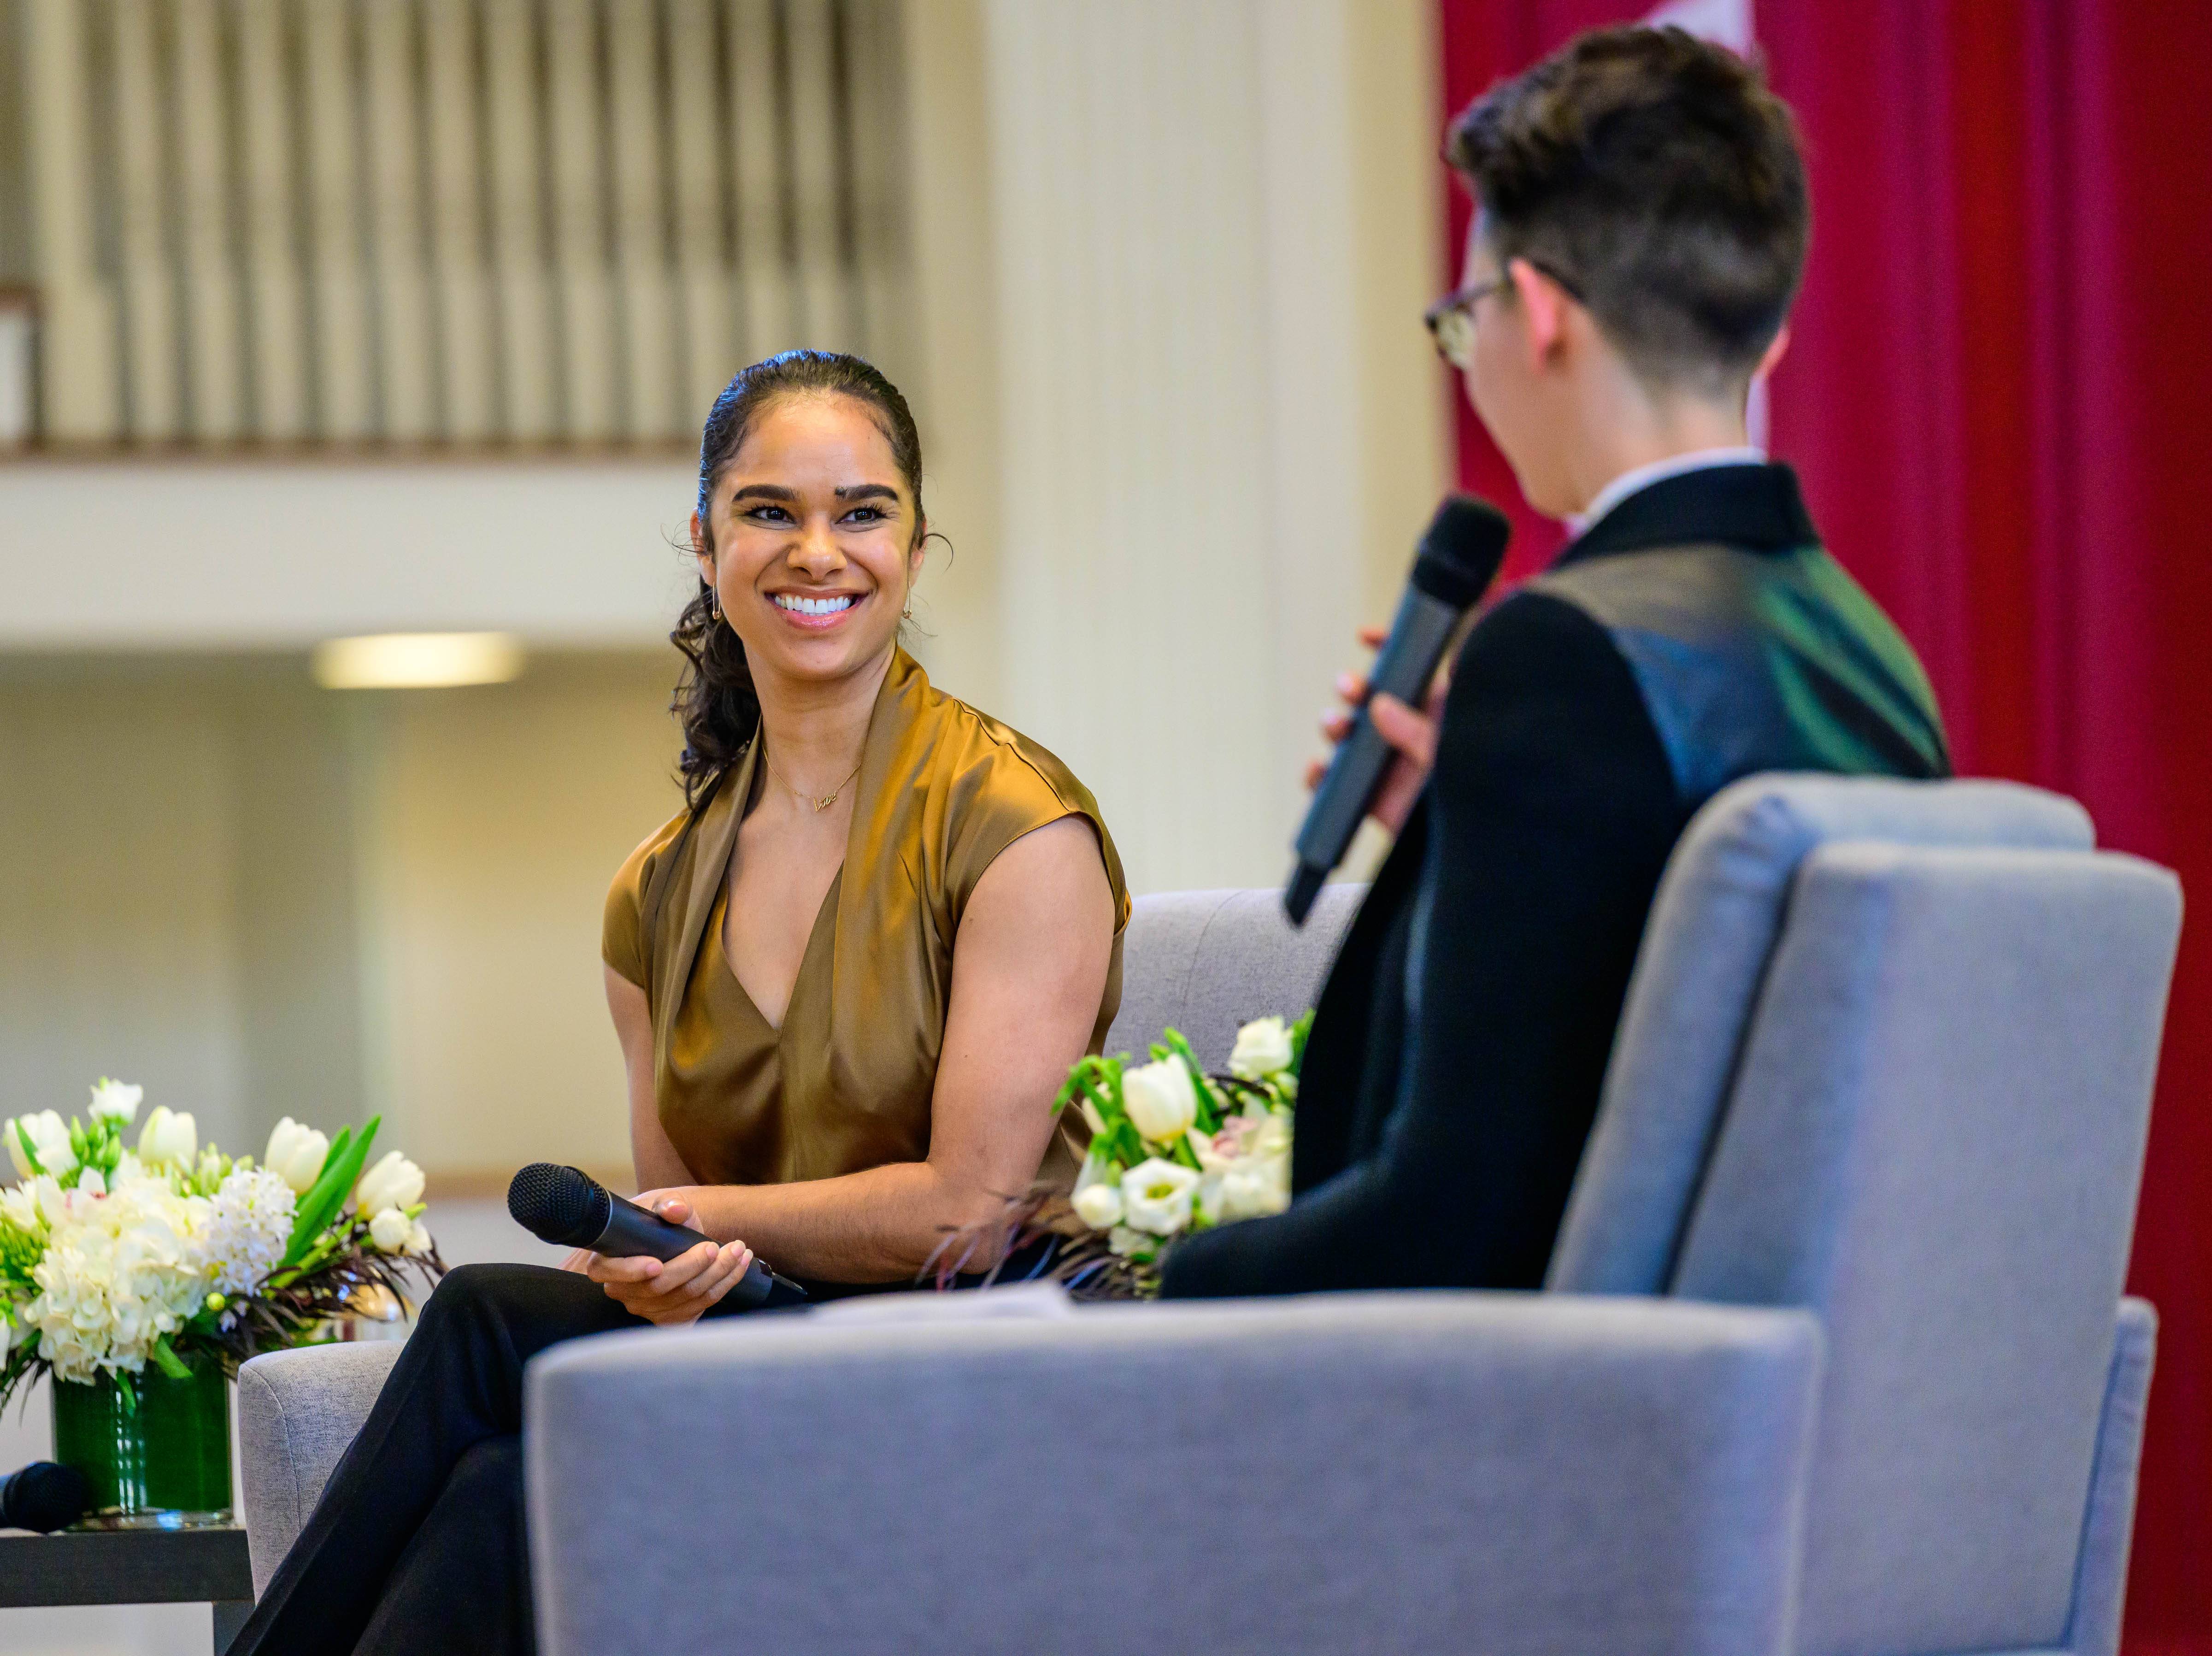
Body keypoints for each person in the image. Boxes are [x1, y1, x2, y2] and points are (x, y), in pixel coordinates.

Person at [235, 351, 1129, 1656]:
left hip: (955, 1362)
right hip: (748, 1356)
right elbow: (672, 1227)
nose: (818, 551)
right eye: (771, 511)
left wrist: (707, 1220)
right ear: (708, 547)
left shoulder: (1016, 827)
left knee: (486, 1315)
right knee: (494, 1495)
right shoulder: (653, 891)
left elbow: (972, 1215)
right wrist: (664, 1269)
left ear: (917, 549)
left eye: (862, 511)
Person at [1161, 26, 1950, 1299]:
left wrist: (1168, 1283)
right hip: (1773, 1396)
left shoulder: (1557, 652)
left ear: (1534, 315)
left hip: (1538, 1437)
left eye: (1460, 319)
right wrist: (1459, 833)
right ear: (1766, 339)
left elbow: (1452, 1227)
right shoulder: (1871, 655)